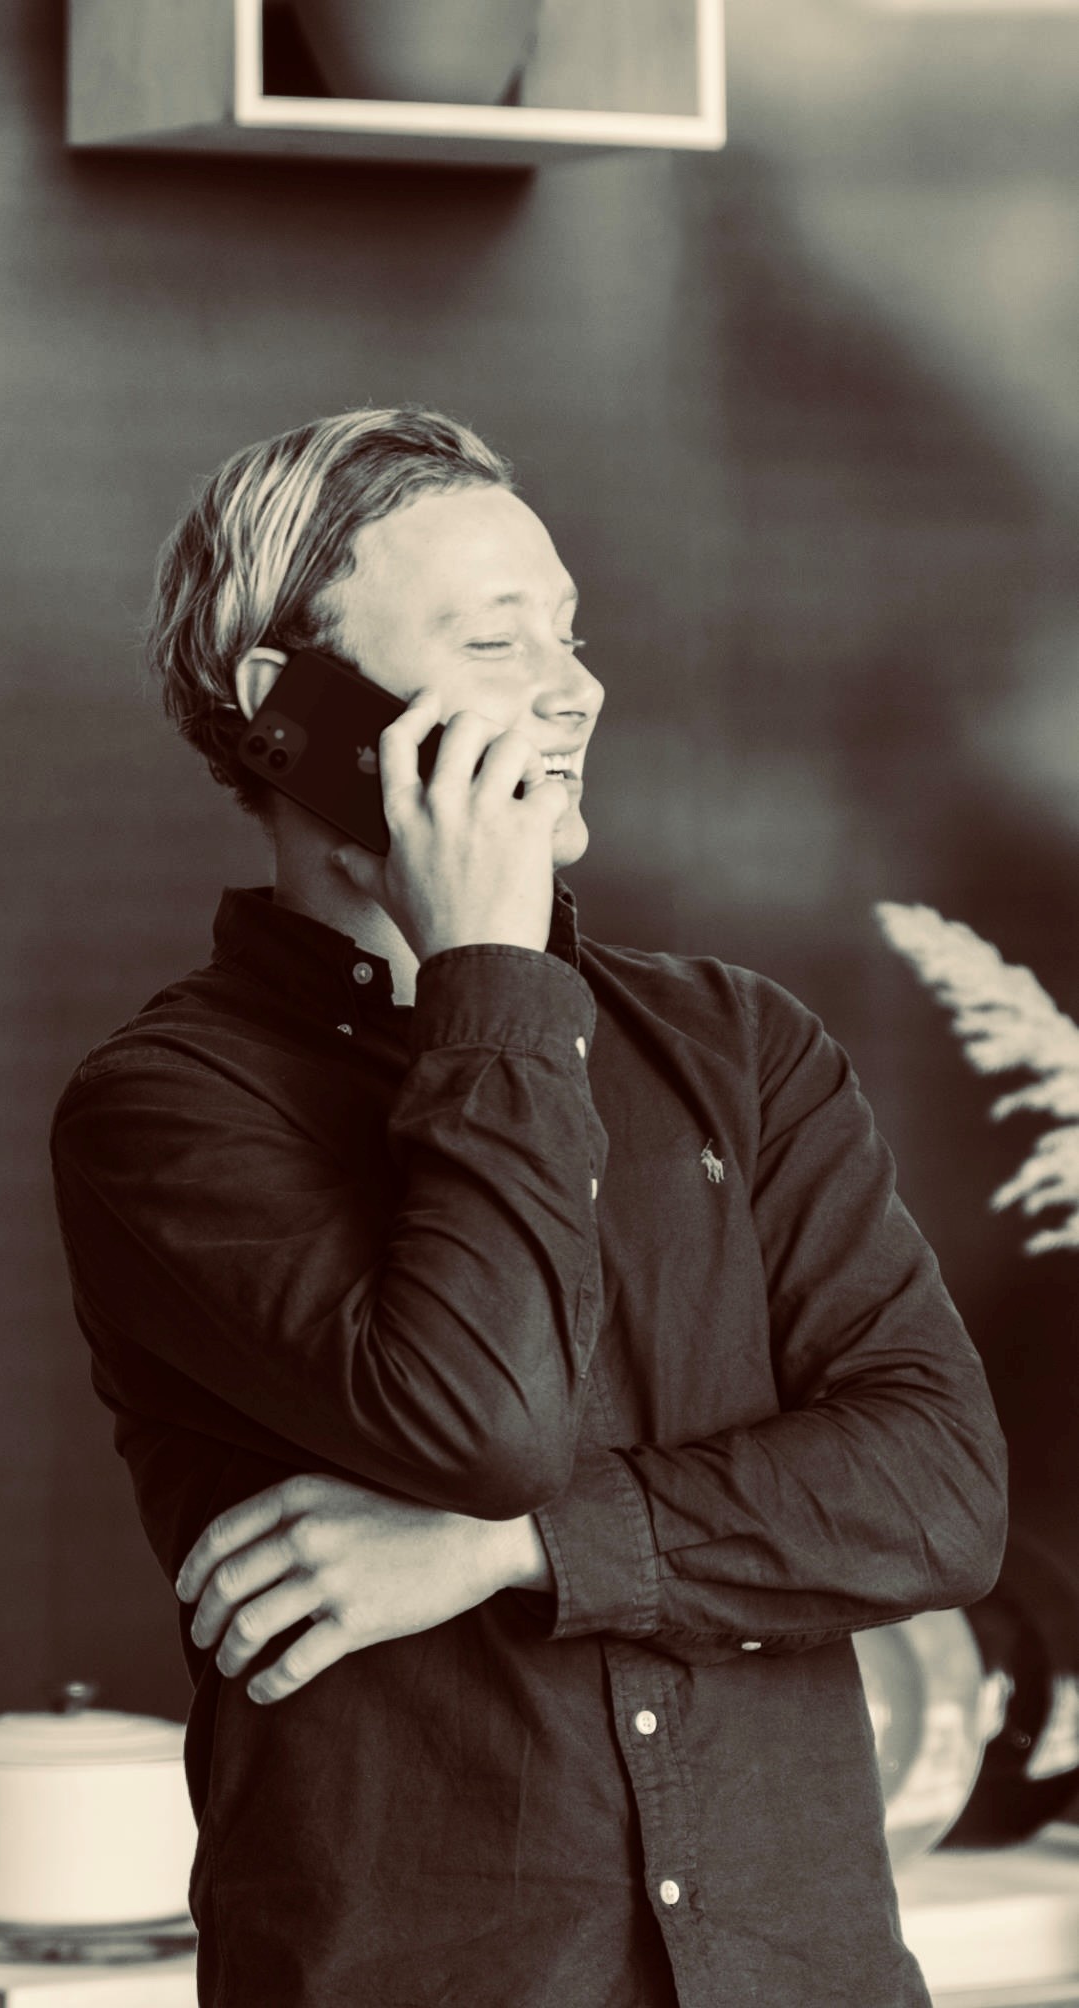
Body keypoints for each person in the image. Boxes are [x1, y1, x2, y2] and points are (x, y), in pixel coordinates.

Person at [49, 406, 1007, 2008]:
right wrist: (488, 967)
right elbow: (477, 1424)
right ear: (288, 712)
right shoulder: (165, 1108)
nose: (574, 690)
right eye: (496, 643)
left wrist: (516, 1552)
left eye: (570, 636)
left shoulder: (741, 1048)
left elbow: (936, 1493)